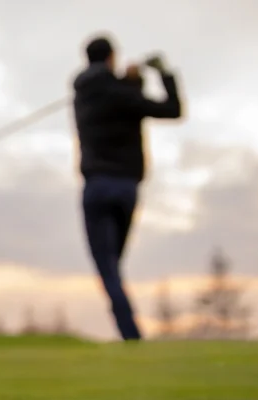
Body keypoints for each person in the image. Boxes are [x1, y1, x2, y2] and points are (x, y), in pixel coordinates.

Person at [71, 35, 183, 341]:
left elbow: (107, 97)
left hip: (96, 187)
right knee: (113, 266)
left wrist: (127, 83)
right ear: (111, 57)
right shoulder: (123, 93)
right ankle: (130, 332)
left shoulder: (82, 93)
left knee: (108, 268)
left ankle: (130, 335)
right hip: (126, 188)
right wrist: (161, 74)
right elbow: (173, 109)